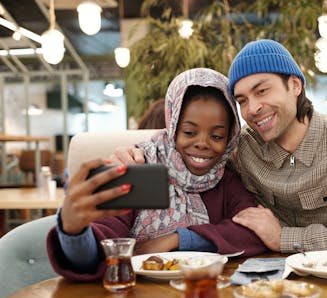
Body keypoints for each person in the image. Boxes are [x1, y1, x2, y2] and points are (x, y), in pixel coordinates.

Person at [112, 39, 327, 256]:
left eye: (262, 91)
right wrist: (136, 154)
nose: (254, 108)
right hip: (279, 280)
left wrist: (283, 238)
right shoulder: (238, 151)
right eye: (242, 100)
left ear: (294, 85)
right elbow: (186, 146)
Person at [47, 68, 267, 281]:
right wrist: (74, 232)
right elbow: (102, 245)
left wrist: (177, 239)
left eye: (217, 136)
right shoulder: (138, 168)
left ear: (230, 137)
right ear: (172, 128)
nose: (202, 144)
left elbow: (253, 232)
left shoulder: (226, 179)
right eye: (189, 132)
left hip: (202, 293)